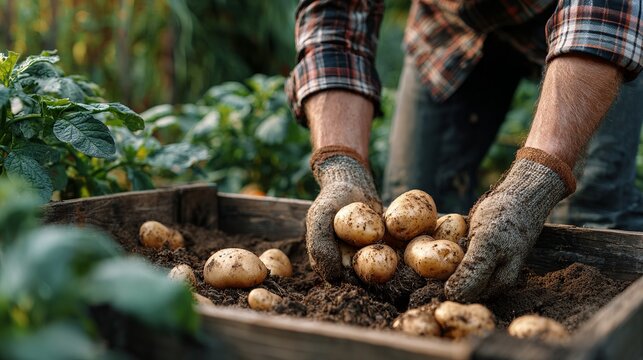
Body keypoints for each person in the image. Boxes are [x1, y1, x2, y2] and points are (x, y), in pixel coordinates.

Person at [285, 0, 642, 302]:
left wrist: (535, 183)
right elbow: (334, 17)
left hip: (588, 20)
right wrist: (341, 165)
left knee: (595, 212)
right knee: (403, 224)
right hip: (449, 26)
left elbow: (600, 18)